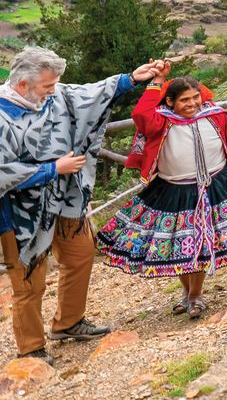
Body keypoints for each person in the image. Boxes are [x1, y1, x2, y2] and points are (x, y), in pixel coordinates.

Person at [0, 46, 160, 364]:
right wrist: (51, 169)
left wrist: (130, 80)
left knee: (81, 253)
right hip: (20, 215)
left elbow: (85, 94)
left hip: (65, 200)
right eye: (48, 87)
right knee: (29, 279)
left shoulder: (51, 92)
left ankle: (68, 323)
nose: (55, 92)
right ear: (22, 86)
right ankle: (31, 349)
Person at [96, 67, 227, 317]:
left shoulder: (215, 116)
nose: (192, 103)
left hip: (216, 185)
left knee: (202, 244)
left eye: (195, 97)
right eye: (184, 100)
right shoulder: (160, 121)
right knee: (180, 246)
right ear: (170, 101)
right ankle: (187, 293)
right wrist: (157, 80)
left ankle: (195, 295)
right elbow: (141, 113)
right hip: (174, 190)